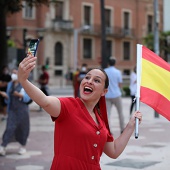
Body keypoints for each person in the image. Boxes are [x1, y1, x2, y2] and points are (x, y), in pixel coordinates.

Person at [17, 54, 142, 170]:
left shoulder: (101, 120)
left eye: (96, 80)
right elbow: (45, 101)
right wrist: (24, 80)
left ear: (104, 92)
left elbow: (114, 151)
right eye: (87, 77)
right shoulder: (68, 106)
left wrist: (130, 126)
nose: (89, 81)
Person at [0, 69, 31, 156]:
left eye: (15, 73)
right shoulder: (10, 84)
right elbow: (9, 98)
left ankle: (23, 146)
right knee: (9, 127)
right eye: (12, 73)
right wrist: (6, 96)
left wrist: (20, 95)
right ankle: (3, 146)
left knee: (23, 128)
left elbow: (28, 98)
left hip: (23, 110)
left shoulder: (25, 84)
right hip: (12, 110)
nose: (13, 75)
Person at [104, 57, 125, 134]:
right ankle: (122, 128)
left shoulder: (105, 71)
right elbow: (120, 84)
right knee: (120, 113)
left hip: (107, 95)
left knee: (107, 114)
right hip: (116, 94)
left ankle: (109, 130)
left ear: (108, 63)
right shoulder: (118, 72)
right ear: (115, 63)